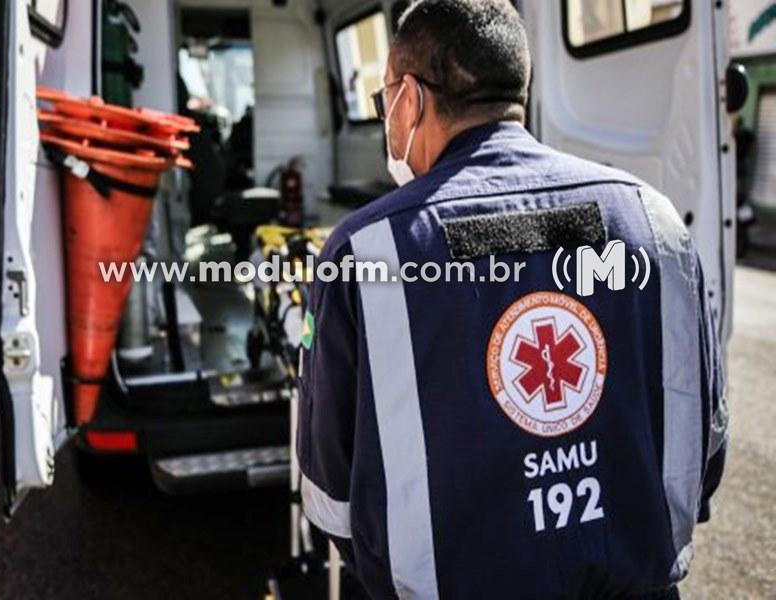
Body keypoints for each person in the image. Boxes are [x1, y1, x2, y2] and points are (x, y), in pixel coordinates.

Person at [297, 0, 727, 597]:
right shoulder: (656, 224)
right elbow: (704, 443)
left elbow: (332, 497)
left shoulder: (364, 253)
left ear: (411, 100)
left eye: (385, 100)